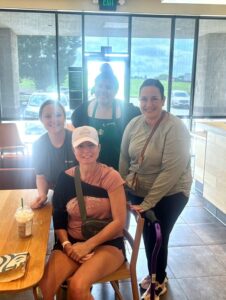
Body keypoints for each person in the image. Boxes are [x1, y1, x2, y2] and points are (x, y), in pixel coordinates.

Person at [119, 79, 192, 299]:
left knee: (159, 235)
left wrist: (148, 203)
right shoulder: (134, 124)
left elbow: (171, 171)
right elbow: (124, 156)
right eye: (143, 98)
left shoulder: (175, 127)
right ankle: (155, 274)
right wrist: (123, 186)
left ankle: (158, 280)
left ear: (163, 100)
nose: (148, 104)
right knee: (149, 236)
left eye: (154, 98)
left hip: (172, 193)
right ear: (138, 100)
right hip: (138, 190)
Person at [38, 126, 127, 300]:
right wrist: (67, 246)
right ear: (73, 150)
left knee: (77, 286)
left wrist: (88, 245)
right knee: (44, 287)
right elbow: (59, 217)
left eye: (91, 145)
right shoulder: (65, 178)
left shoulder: (111, 177)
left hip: (107, 244)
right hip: (71, 243)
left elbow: (119, 222)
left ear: (99, 148)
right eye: (80, 146)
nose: (86, 151)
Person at [71, 62, 140, 170]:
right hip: (89, 171)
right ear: (95, 88)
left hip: (117, 171)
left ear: (116, 91)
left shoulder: (128, 111)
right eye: (100, 86)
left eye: (108, 87)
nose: (103, 91)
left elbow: (145, 116)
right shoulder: (81, 112)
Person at [31, 100, 77, 209]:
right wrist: (42, 194)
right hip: (56, 196)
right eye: (48, 116)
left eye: (58, 115)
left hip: (80, 194)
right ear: (41, 119)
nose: (54, 120)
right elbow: (40, 176)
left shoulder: (76, 140)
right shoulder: (38, 145)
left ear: (64, 117)